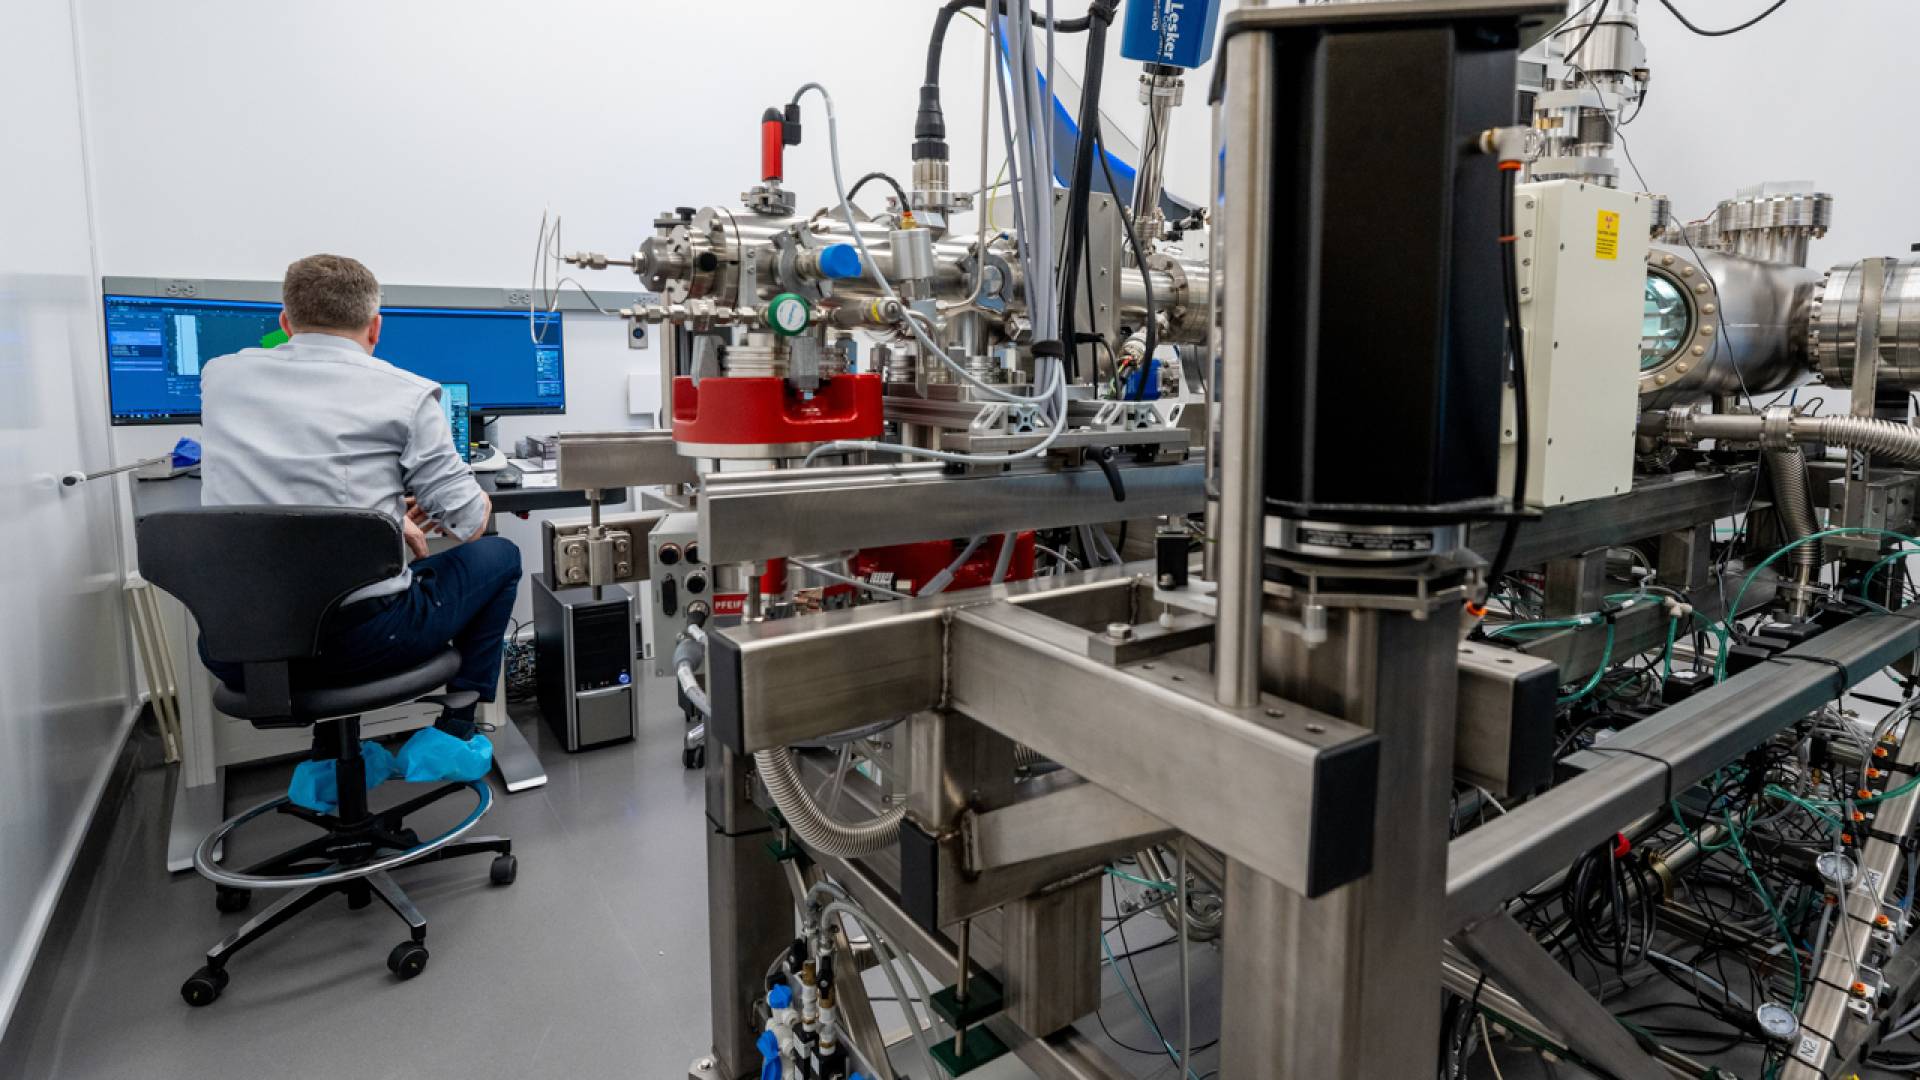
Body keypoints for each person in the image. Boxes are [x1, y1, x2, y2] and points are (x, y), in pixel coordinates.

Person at [198, 253, 519, 802]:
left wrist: (385, 523)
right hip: (362, 644)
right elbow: (468, 523)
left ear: (285, 322)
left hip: (237, 644)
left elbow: (293, 487)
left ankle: (330, 760)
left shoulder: (220, 376)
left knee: (315, 594)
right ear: (375, 327)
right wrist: (404, 513)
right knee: (499, 555)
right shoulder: (407, 392)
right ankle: (454, 730)